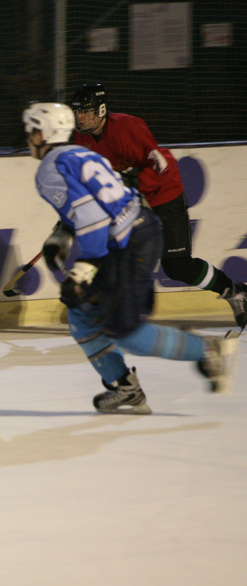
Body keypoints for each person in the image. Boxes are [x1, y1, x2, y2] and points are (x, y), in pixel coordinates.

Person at [22, 102, 238, 413]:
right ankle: (125, 387)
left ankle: (208, 350)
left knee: (126, 333)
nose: (28, 136)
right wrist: (64, 233)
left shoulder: (49, 169)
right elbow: (103, 199)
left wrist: (85, 267)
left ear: (44, 133)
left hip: (126, 244)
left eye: (32, 130)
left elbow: (92, 215)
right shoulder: (81, 153)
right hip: (135, 232)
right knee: (80, 313)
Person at [70, 83, 247, 332]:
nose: (80, 117)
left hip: (162, 195)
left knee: (178, 267)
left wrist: (131, 179)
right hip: (130, 204)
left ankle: (235, 291)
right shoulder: (82, 138)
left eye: (85, 111)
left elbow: (160, 165)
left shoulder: (127, 127)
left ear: (101, 110)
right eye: (77, 111)